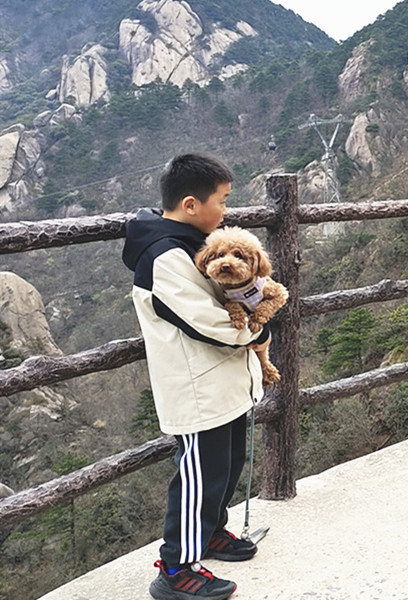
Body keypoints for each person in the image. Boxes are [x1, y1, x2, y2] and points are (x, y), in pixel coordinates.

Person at [122, 153, 269, 599]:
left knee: (225, 466)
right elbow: (208, 323)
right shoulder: (164, 255)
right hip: (198, 387)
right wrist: (258, 329)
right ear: (191, 204)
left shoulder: (190, 241)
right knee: (197, 475)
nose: (225, 211)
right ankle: (176, 568)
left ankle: (210, 532)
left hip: (223, 381)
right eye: (221, 201)